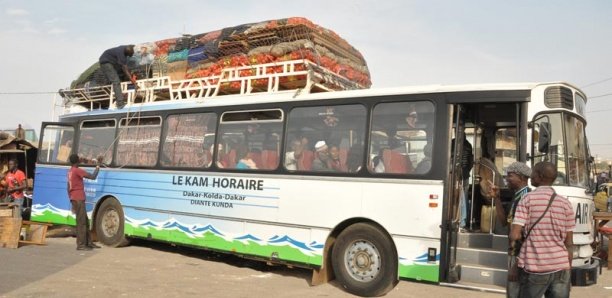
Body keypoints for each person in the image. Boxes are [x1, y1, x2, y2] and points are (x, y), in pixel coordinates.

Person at [510, 161, 574, 298]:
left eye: (533, 173)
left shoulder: (527, 200)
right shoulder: (565, 203)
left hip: (535, 267)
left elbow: (514, 235)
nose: (530, 176)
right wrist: (568, 270)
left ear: (539, 176)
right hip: (561, 267)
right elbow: (569, 243)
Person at [487, 161, 531, 298]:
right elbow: (504, 221)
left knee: (516, 292)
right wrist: (497, 198)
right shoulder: (517, 195)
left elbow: (524, 234)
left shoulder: (527, 197)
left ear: (522, 178)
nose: (506, 179)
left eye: (510, 176)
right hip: (514, 253)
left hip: (520, 254)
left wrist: (516, 263)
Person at [67, 154, 101, 251]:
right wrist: (98, 166)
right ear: (77, 161)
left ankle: (89, 242)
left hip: (74, 198)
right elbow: (93, 177)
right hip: (79, 199)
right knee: (81, 223)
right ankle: (81, 245)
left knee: (84, 221)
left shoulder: (70, 171)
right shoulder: (77, 170)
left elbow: (68, 187)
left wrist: (71, 199)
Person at [99, 45, 136, 109]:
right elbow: (125, 68)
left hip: (112, 62)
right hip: (106, 63)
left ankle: (120, 95)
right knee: (116, 81)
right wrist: (131, 79)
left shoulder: (126, 48)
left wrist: (131, 75)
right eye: (129, 55)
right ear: (127, 53)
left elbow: (132, 46)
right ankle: (120, 103)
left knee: (120, 75)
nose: (129, 57)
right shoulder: (121, 54)